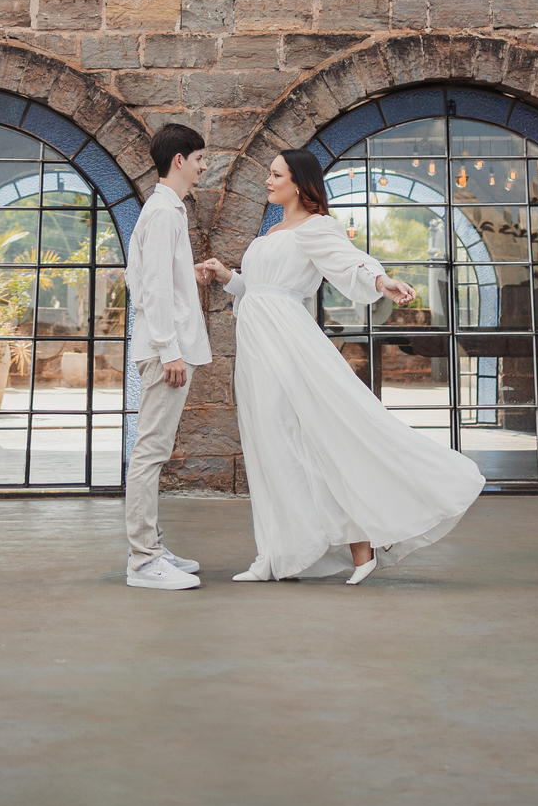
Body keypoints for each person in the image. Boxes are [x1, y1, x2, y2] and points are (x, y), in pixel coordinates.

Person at [200, 148, 485, 585]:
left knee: (312, 435)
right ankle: (281, 553)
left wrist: (381, 280)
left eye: (276, 175)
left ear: (298, 182)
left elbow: (348, 261)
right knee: (270, 443)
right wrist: (227, 277)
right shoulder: (271, 232)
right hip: (257, 344)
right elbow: (256, 290)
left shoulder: (316, 228)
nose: (268, 182)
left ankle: (356, 541)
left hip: (287, 343)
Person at [123, 122, 211, 591]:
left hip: (166, 349)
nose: (202, 167)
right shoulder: (162, 212)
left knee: (154, 449)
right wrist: (170, 350)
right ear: (179, 159)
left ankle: (152, 544)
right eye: (199, 159)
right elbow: (151, 288)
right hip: (165, 353)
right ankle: (143, 560)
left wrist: (188, 272)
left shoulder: (165, 210)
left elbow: (150, 275)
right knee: (151, 452)